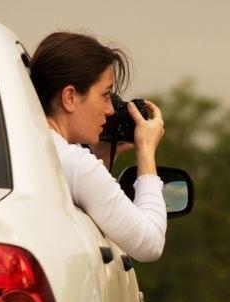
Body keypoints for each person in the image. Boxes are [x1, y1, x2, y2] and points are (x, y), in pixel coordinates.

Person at [30, 32, 166, 262]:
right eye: (105, 95)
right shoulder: (75, 163)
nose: (110, 110)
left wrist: (99, 157)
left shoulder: (26, 145)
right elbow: (150, 243)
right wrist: (146, 151)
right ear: (69, 97)